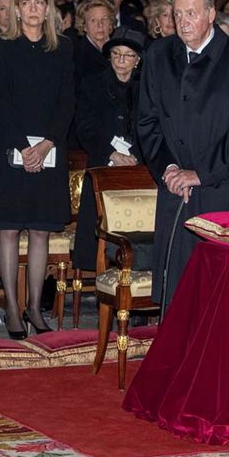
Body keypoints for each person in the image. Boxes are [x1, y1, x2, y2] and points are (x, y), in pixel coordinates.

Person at [136, 0, 229, 308]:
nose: (183, 21)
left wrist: (199, 174)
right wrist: (170, 168)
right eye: (177, 14)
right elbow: (148, 122)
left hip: (223, 191)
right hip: (174, 188)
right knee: (177, 293)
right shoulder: (159, 55)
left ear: (210, 14)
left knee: (220, 295)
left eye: (191, 13)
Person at [0, 0, 75, 337]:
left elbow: (67, 100)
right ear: (17, 9)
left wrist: (47, 143)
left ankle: (35, 308)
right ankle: (11, 307)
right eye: (27, 2)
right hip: (12, 147)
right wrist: (25, 146)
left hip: (50, 149)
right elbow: (0, 101)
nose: (34, 9)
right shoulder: (2, 47)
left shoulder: (64, 48)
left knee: (40, 232)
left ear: (48, 8)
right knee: (10, 231)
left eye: (40, 2)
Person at [73, 26, 144, 273]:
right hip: (104, 164)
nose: (121, 61)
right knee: (99, 223)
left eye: (128, 55)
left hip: (138, 168)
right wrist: (112, 154)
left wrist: (136, 156)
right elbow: (85, 127)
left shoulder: (147, 88)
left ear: (138, 60)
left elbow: (154, 126)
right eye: (116, 54)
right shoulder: (93, 85)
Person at [73, 0, 116, 88]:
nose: (100, 25)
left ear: (111, 24)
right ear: (84, 26)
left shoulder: (120, 48)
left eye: (104, 19)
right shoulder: (76, 55)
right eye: (93, 20)